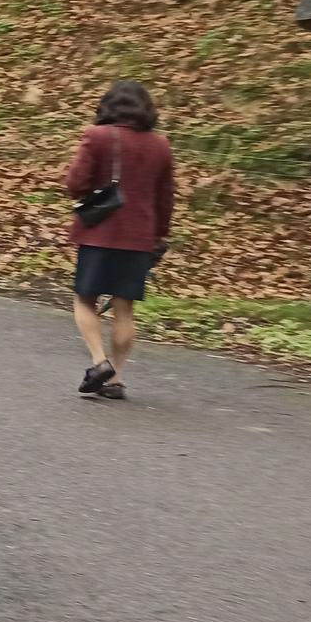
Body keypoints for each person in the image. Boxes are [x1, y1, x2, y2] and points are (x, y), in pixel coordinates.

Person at [64, 79, 175, 401]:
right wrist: (159, 234)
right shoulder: (161, 145)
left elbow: (75, 183)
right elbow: (165, 198)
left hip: (99, 233)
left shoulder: (97, 136)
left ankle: (99, 363)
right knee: (124, 309)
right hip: (139, 237)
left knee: (85, 300)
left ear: (109, 107)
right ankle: (117, 378)